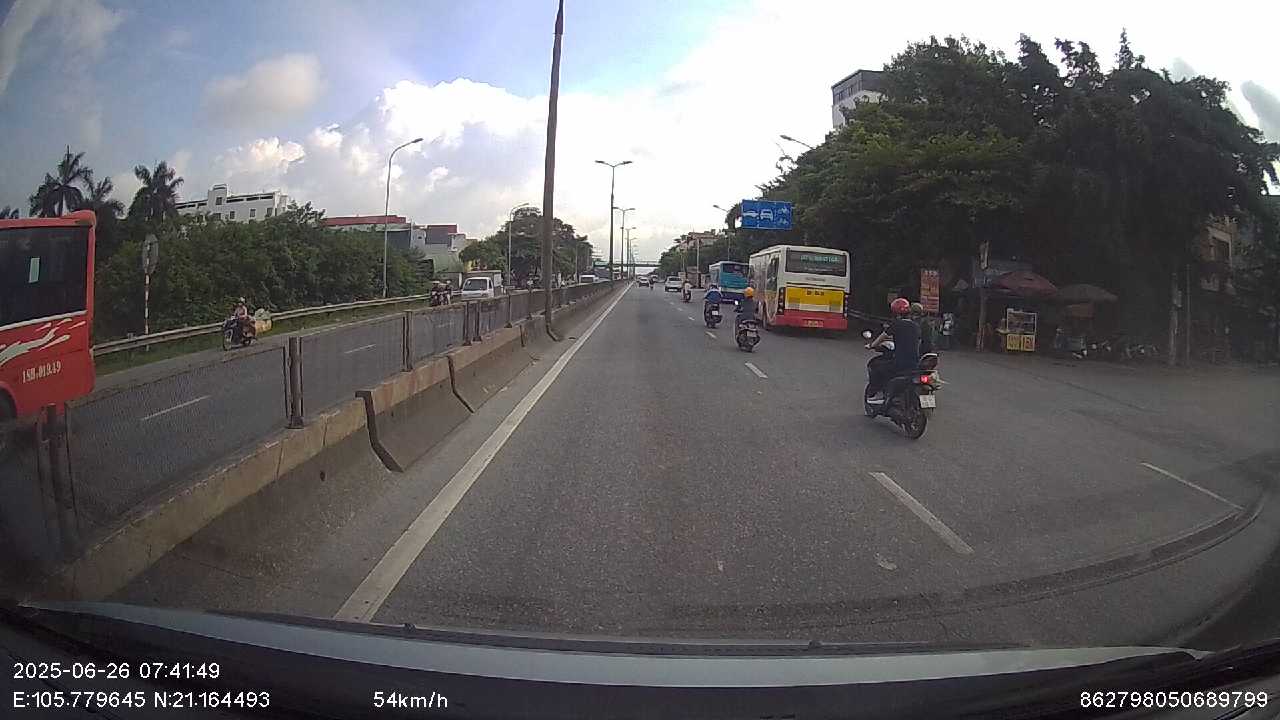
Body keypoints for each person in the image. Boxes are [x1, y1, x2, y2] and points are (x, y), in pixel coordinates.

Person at [865, 297, 919, 404]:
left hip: (900, 363)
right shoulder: (916, 326)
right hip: (915, 363)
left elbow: (882, 337)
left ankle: (878, 395)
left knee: (877, 368)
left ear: (895, 313)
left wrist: (871, 345)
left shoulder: (896, 324)